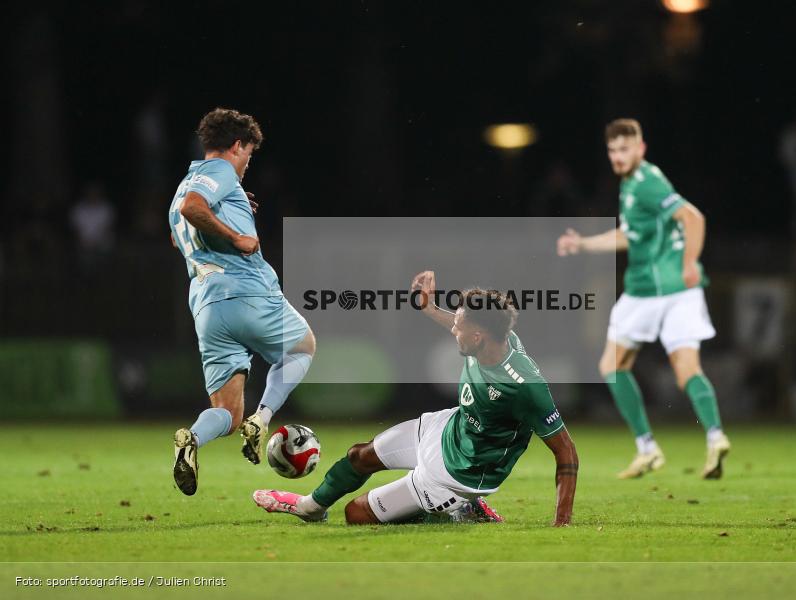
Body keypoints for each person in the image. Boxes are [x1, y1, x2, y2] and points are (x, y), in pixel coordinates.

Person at [252, 271, 578, 526]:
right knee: (359, 455)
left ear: (478, 336)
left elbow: (566, 452)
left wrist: (561, 522)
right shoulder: (491, 336)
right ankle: (310, 508)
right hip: (449, 427)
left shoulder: (524, 385)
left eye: (460, 326)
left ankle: (454, 509)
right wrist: (428, 307)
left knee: (356, 514)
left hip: (458, 474)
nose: (453, 329)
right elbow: (457, 321)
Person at [557, 118, 730, 480]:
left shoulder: (648, 181)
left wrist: (689, 265)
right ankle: (715, 438)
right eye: (613, 150)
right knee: (687, 372)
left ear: (641, 148)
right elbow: (629, 235)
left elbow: (693, 218)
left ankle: (647, 447)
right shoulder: (632, 184)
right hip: (674, 293)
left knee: (612, 365)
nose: (619, 156)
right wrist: (585, 243)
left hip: (653, 291)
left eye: (625, 149)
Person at [167, 108, 316, 495]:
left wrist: (230, 210)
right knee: (303, 347)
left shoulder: (184, 185)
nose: (248, 162)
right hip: (246, 291)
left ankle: (193, 440)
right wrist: (236, 238)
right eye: (249, 153)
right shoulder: (218, 174)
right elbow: (194, 209)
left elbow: (180, 232)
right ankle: (263, 418)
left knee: (228, 414)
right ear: (237, 145)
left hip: (206, 306)